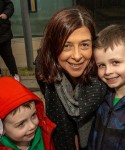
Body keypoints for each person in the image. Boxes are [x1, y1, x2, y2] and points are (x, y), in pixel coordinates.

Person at [35, 6, 107, 149]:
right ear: (53, 47)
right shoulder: (44, 69)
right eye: (66, 46)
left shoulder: (105, 76)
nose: (77, 56)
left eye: (84, 45)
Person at [0, 77, 56, 150]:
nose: (32, 126)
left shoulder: (45, 135)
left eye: (33, 115)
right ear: (1, 128)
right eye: (21, 124)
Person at [0, 0, 20, 81]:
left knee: (8, 55)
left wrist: (6, 14)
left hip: (3, 31)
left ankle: (14, 74)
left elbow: (9, 5)